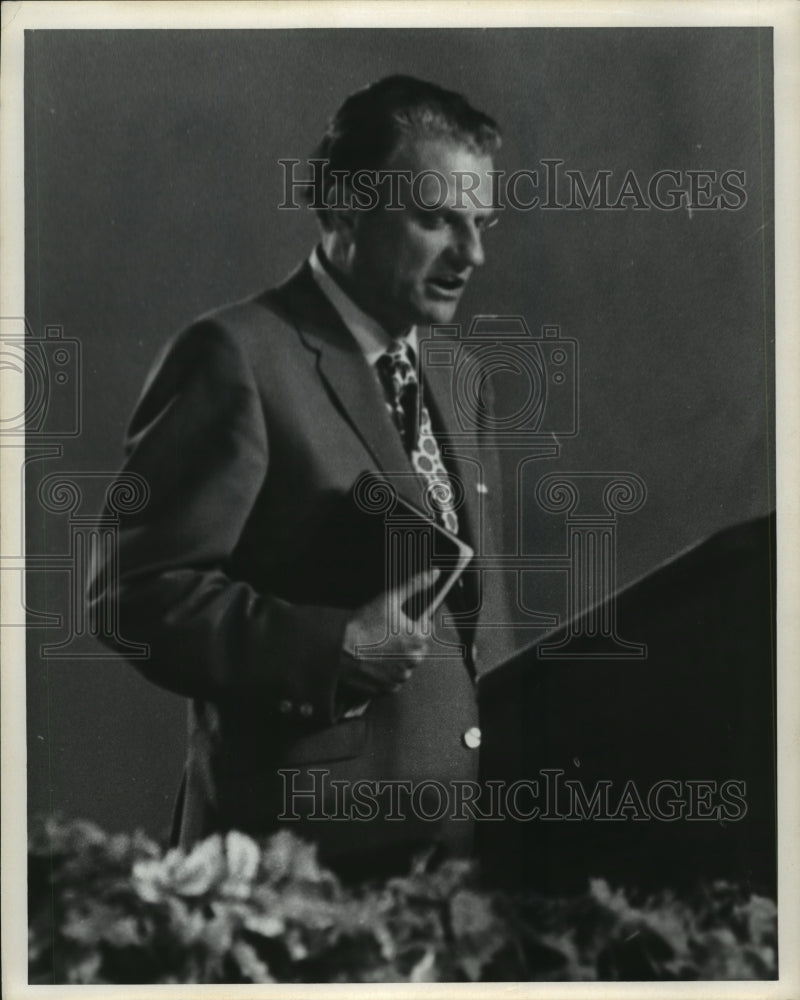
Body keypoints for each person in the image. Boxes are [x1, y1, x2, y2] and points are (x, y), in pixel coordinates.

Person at [89, 75, 516, 876]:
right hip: (300, 864)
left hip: (460, 863)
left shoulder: (460, 377)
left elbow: (472, 627)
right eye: (435, 220)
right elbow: (130, 595)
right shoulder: (236, 354)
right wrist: (329, 650)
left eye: (481, 222)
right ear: (344, 205)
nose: (473, 255)